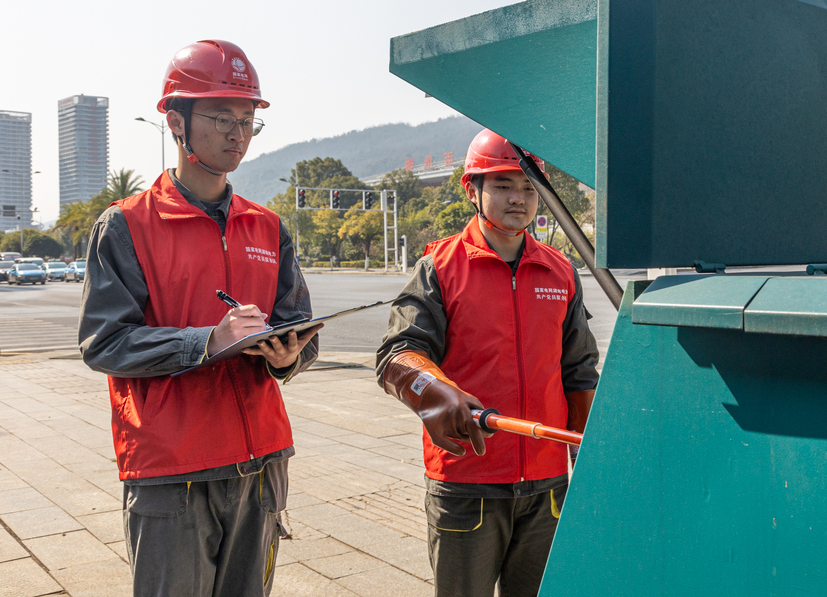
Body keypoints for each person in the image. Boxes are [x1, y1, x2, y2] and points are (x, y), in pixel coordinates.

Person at [79, 39, 320, 596]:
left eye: (248, 120)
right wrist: (206, 342)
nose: (238, 134)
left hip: (261, 463)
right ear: (176, 122)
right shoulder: (126, 226)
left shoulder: (268, 228)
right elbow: (105, 343)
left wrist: (291, 356)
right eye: (221, 117)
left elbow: (297, 325)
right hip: (172, 470)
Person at [376, 129, 600, 597]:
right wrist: (437, 394)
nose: (518, 199)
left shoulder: (560, 271)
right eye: (502, 185)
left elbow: (578, 371)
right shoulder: (439, 268)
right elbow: (397, 356)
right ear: (471, 189)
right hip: (466, 481)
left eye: (527, 186)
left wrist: (591, 461)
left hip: (547, 485)